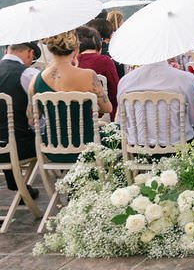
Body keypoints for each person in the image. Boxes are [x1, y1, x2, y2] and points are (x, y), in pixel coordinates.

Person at [32, 31, 113, 148]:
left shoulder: (35, 80)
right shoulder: (88, 76)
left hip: (52, 149)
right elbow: (107, 108)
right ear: (75, 49)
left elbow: (32, 118)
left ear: (50, 49)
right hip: (87, 146)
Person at [118, 52, 194, 145]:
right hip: (178, 146)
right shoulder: (185, 78)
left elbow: (122, 120)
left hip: (137, 147)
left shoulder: (125, 82)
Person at [0, 42, 41, 199]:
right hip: (21, 147)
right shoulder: (28, 74)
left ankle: (18, 185)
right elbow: (41, 112)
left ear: (6, 50)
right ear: (30, 53)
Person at [75, 26, 119, 119]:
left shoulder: (71, 63)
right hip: (102, 116)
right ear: (97, 43)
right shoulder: (104, 61)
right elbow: (115, 92)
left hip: (76, 116)